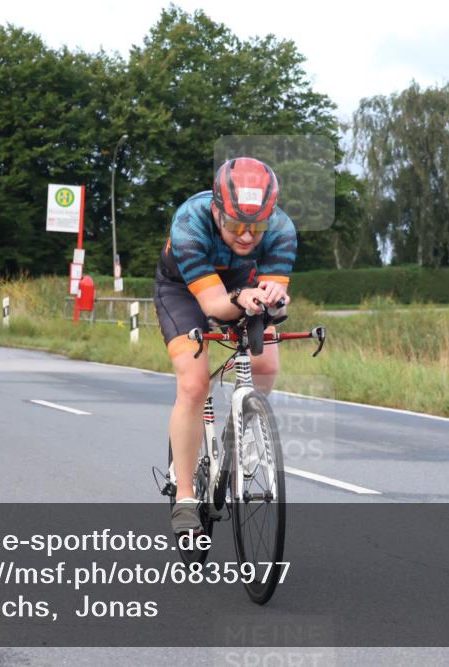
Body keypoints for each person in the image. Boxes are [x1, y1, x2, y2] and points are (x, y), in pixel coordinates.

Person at [155, 157, 297, 536]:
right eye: (235, 225)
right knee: (194, 383)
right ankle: (185, 496)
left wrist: (276, 298)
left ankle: (246, 430)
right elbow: (215, 306)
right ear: (217, 210)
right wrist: (244, 297)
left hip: (242, 284)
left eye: (257, 226)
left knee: (265, 364)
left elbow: (273, 301)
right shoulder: (190, 222)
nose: (248, 236)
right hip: (185, 290)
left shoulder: (282, 228)